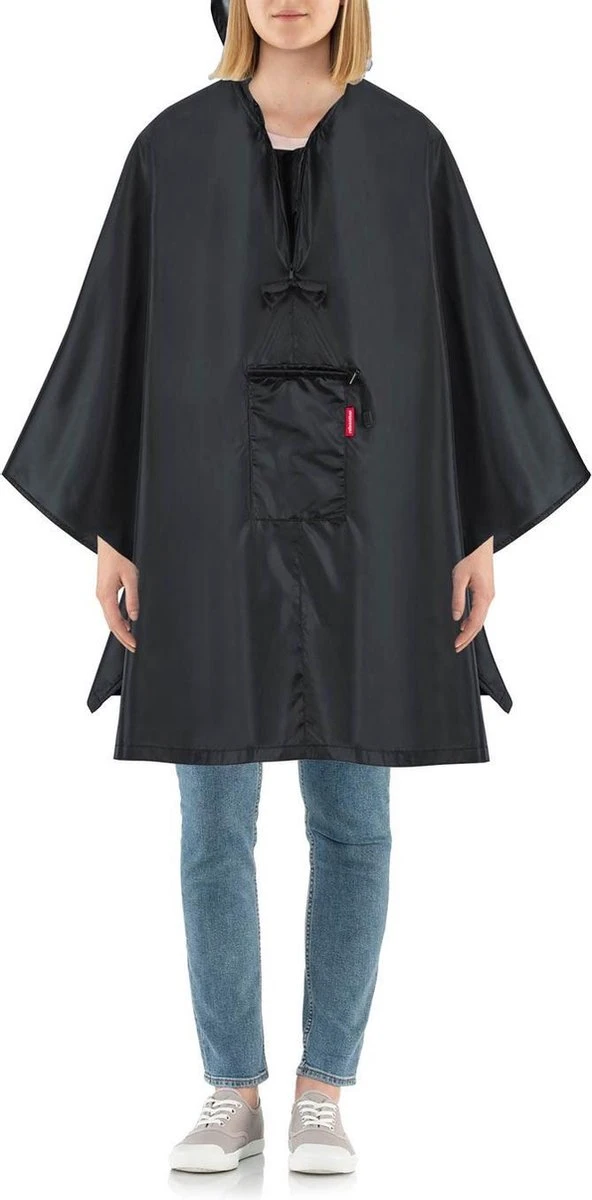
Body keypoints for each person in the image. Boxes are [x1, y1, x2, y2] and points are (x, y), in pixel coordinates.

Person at [2, 0, 589, 1177]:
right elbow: (121, 339)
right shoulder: (170, 149)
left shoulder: (408, 149)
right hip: (202, 520)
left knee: (353, 820)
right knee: (212, 824)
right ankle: (233, 1087)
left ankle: (325, 1089)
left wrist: (473, 527)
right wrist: (114, 527)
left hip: (377, 524)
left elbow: (463, 340)